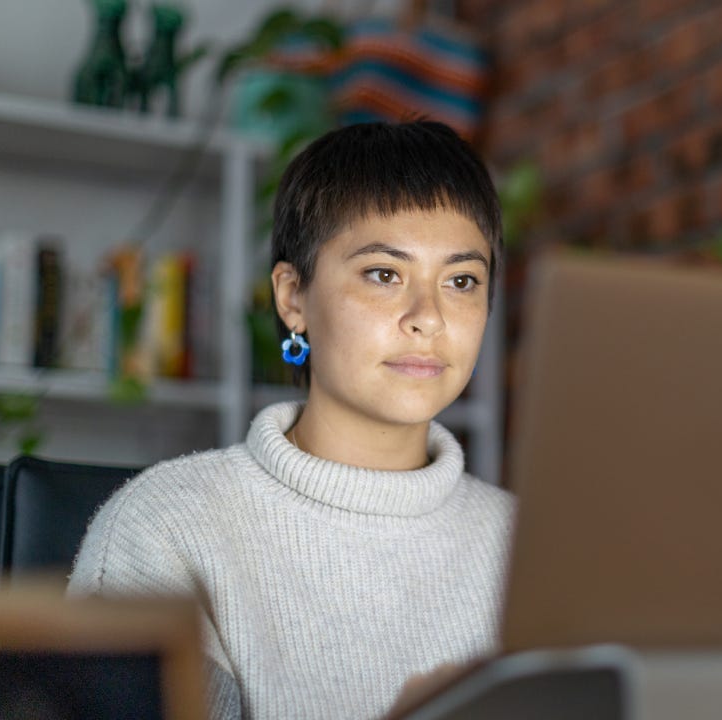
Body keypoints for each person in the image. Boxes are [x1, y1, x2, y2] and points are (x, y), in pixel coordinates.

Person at [68, 120, 515, 720]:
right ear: (293, 297)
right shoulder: (166, 533)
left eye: (461, 281)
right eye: (384, 274)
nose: (428, 318)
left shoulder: (526, 546)